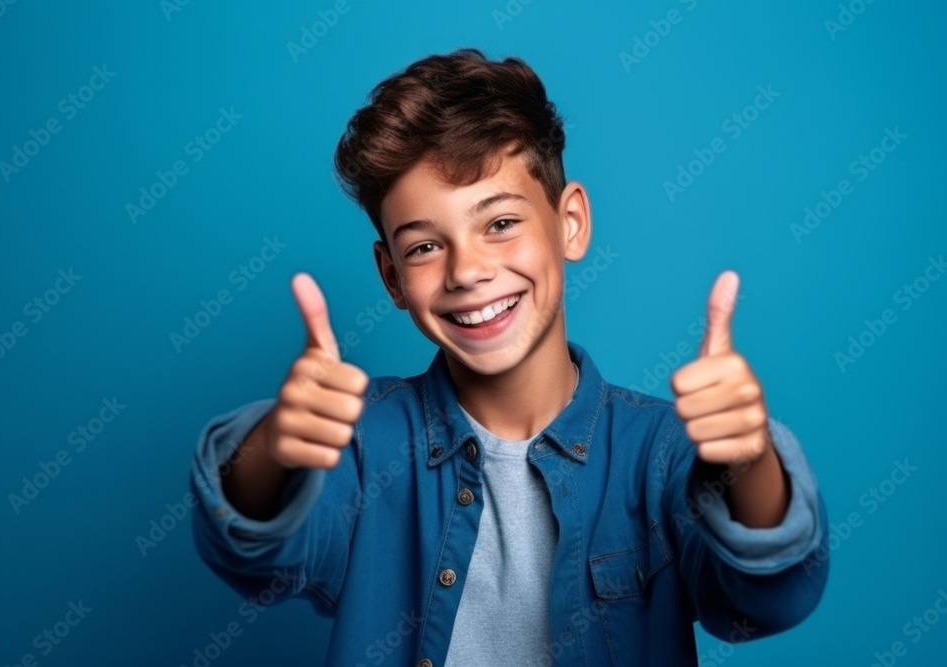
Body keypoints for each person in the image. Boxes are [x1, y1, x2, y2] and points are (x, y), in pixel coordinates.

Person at [190, 48, 829, 667]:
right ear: (391, 278)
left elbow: (767, 599)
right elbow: (255, 557)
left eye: (499, 224)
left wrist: (749, 463)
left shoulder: (661, 453)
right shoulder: (362, 445)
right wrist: (276, 446)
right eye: (422, 249)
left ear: (570, 222)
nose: (467, 271)